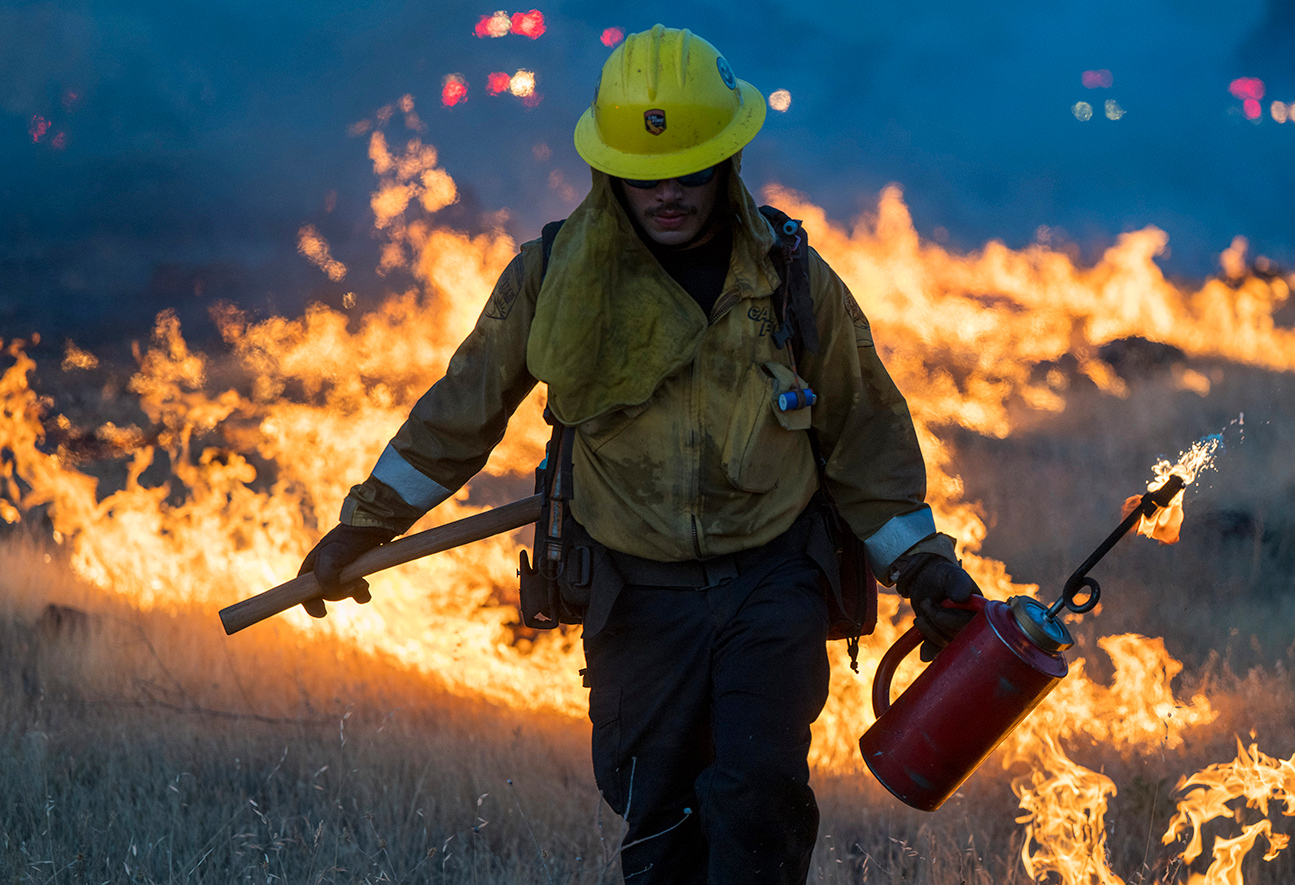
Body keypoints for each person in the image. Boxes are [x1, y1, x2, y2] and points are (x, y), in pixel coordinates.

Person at [299, 24, 982, 885]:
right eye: (644, 173)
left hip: (772, 584)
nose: (668, 193)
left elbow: (865, 437)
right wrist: (362, 528)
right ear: (608, 171)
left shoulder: (791, 280)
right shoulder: (551, 279)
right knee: (656, 818)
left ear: (726, 164)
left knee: (759, 798)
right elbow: (456, 418)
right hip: (638, 595)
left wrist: (921, 563)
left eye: (689, 168)